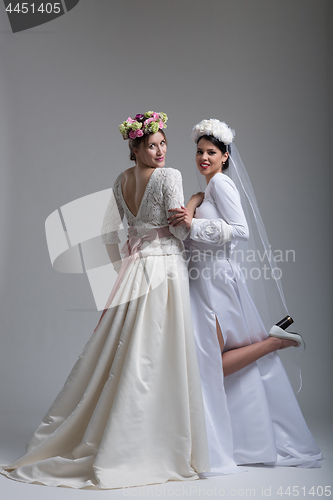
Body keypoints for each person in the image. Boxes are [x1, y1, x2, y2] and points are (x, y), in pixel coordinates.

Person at [0, 112, 210, 489]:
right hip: (164, 267)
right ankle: (150, 440)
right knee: (158, 352)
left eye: (163, 144)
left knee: (130, 350)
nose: (160, 151)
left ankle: (114, 428)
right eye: (152, 145)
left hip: (135, 270)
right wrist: (195, 201)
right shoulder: (170, 177)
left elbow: (109, 236)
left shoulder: (121, 181)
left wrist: (128, 265)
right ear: (135, 147)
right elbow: (179, 232)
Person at [168, 119, 322, 473]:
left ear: (224, 157)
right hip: (202, 279)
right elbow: (185, 235)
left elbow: (241, 231)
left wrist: (193, 221)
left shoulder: (221, 184)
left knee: (208, 363)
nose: (203, 158)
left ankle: (274, 343)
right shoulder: (207, 191)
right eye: (199, 151)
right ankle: (273, 345)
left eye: (211, 152)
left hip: (215, 280)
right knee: (206, 363)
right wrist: (192, 203)